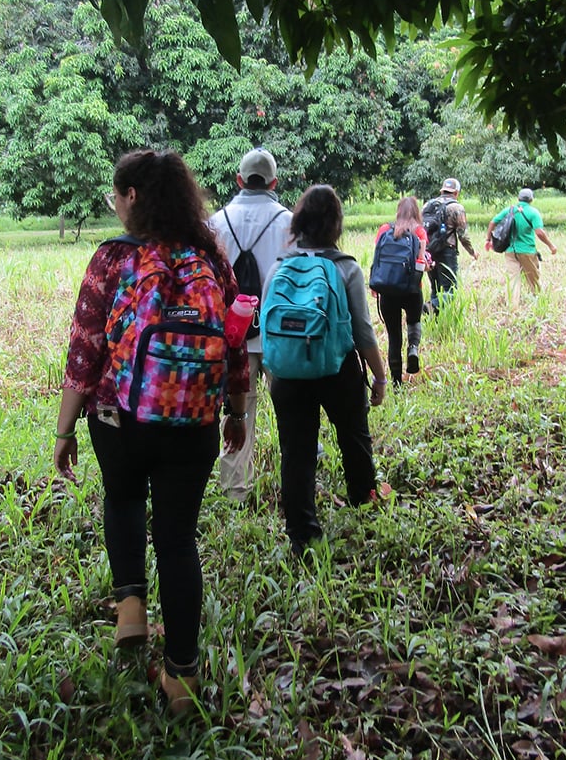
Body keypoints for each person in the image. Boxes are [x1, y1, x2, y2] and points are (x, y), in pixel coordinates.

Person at [53, 149, 249, 715]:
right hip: (193, 421)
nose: (115, 205)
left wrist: (64, 431)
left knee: (122, 499)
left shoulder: (112, 259)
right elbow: (234, 340)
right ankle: (182, 679)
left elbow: (85, 347)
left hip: (118, 417)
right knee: (177, 537)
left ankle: (131, 608)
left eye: (117, 195)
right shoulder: (210, 258)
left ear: (133, 196)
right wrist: (236, 412)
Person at [264, 184, 388, 554]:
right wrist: (379, 376)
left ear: (299, 221)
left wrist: (273, 373)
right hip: (337, 369)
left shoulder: (280, 266)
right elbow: (363, 331)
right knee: (353, 434)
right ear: (336, 224)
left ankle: (302, 532)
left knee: (296, 452)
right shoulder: (345, 267)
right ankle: (363, 496)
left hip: (288, 373)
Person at [209, 147, 293, 502]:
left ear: (239, 180)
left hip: (233, 337)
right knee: (292, 412)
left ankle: (235, 491)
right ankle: (298, 478)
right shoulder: (289, 220)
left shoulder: (214, 223)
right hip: (278, 334)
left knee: (237, 413)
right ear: (274, 182)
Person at [372, 195, 428, 388]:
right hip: (412, 290)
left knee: (394, 337)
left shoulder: (385, 229)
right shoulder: (419, 231)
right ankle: (413, 348)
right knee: (414, 322)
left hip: (387, 289)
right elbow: (422, 263)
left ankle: (396, 383)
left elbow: (377, 258)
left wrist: (374, 286)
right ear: (416, 212)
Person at [486, 187, 558, 302]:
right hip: (527, 251)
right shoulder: (533, 212)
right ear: (531, 199)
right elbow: (539, 232)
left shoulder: (509, 210)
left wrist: (488, 239)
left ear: (518, 198)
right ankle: (538, 302)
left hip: (510, 251)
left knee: (513, 279)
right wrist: (551, 245)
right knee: (533, 279)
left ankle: (512, 307)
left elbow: (492, 222)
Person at [423, 177, 478, 313]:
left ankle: (434, 319)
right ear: (456, 193)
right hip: (447, 251)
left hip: (429, 251)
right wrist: (472, 252)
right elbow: (462, 235)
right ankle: (429, 307)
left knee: (435, 288)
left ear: (442, 190)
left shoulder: (427, 205)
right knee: (450, 291)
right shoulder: (456, 208)